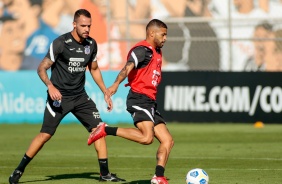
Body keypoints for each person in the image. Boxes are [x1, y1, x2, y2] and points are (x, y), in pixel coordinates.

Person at [8, 9, 125, 184]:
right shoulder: (61, 43)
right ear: (74, 24)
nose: (87, 29)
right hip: (59, 98)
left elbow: (93, 69)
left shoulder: (91, 44)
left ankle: (104, 174)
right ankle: (19, 170)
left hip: (80, 97)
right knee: (45, 135)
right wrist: (50, 86)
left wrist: (105, 91)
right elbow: (41, 68)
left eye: (89, 26)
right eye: (83, 25)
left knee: (99, 130)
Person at [88, 19, 174, 184]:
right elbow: (127, 67)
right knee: (147, 138)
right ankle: (105, 130)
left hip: (149, 101)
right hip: (139, 98)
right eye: (163, 35)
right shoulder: (142, 50)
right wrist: (115, 84)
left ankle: (159, 177)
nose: (165, 38)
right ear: (151, 33)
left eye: (166, 35)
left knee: (167, 140)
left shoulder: (157, 51)